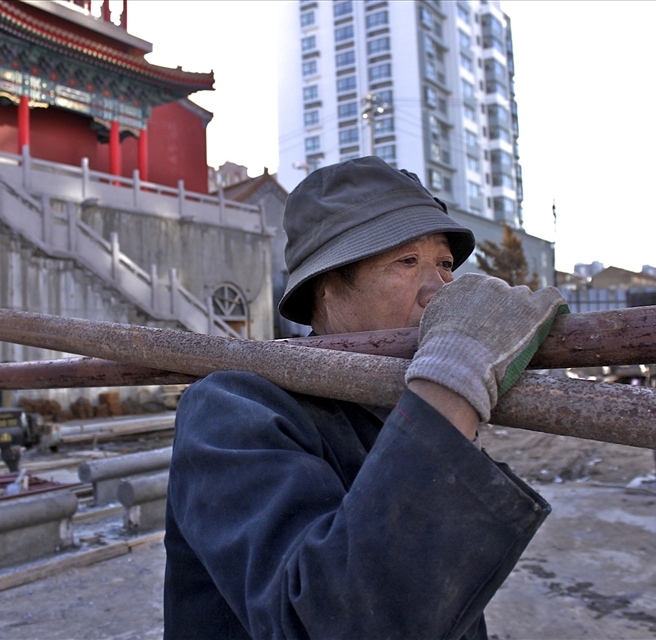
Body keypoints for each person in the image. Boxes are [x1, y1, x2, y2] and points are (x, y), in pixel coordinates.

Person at [163, 157, 567, 639]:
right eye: (407, 261)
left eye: (443, 264)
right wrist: (452, 379)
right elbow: (328, 623)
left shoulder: (392, 402)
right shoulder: (232, 408)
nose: (438, 291)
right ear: (327, 286)